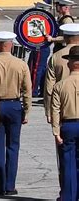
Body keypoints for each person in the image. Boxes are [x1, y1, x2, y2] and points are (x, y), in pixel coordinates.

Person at [0, 31, 32, 196]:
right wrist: (27, 110)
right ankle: (10, 185)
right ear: (11, 45)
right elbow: (27, 89)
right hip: (14, 105)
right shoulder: (21, 64)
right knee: (13, 146)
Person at [50, 45, 79, 200]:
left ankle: (68, 196)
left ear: (69, 64)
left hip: (68, 125)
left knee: (68, 164)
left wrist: (56, 131)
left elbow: (55, 109)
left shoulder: (60, 85)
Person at [44, 24, 79, 122]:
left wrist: (48, 110)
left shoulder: (56, 57)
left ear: (65, 38)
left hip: (63, 106)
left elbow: (49, 87)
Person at [28, 2, 54, 97]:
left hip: (40, 47)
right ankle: (42, 89)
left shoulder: (41, 22)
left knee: (36, 69)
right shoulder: (46, 21)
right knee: (42, 68)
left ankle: (33, 90)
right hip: (42, 47)